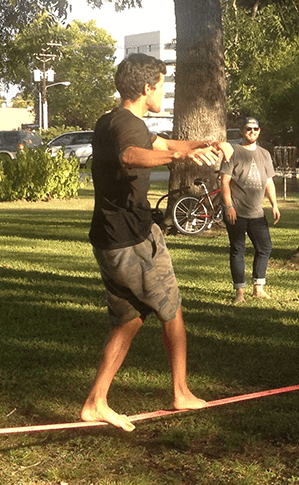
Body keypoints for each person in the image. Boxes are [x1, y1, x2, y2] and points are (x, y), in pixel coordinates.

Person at [82, 53, 233, 431]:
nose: (164, 90)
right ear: (147, 88)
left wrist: (204, 143)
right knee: (172, 310)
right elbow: (132, 155)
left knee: (128, 320)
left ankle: (95, 402)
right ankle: (180, 391)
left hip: (109, 238)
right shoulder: (127, 127)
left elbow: (162, 142)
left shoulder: (112, 121)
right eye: (162, 84)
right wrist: (176, 158)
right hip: (133, 239)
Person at [220, 117, 280, 304]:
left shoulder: (264, 154)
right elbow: (224, 180)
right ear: (241, 131)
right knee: (238, 249)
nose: (252, 131)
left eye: (255, 129)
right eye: (248, 128)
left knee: (265, 247)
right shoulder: (234, 151)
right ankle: (239, 292)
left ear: (259, 131)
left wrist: (274, 204)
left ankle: (258, 288)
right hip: (236, 211)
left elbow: (269, 181)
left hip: (257, 212)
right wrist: (229, 206)